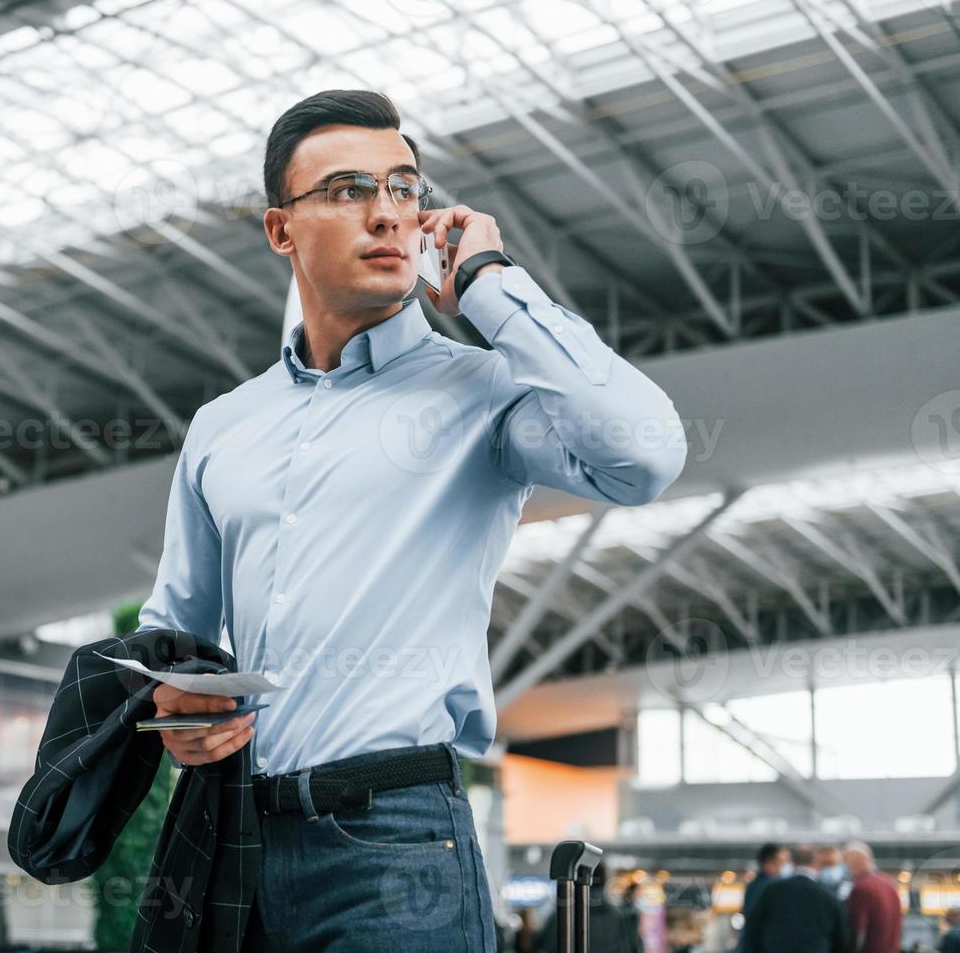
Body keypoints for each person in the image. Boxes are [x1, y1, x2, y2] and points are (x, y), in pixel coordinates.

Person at [136, 89, 686, 951]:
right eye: (351, 190)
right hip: (238, 838)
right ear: (282, 230)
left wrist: (491, 285)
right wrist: (176, 705)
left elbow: (645, 453)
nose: (388, 213)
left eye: (404, 187)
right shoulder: (223, 426)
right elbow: (174, 628)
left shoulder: (484, 393)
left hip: (396, 845)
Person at [741, 844, 846, 953]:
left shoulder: (772, 890)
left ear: (792, 863)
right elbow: (840, 940)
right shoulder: (829, 895)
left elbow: (752, 929)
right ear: (816, 863)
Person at [533, 864, 643, 953]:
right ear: (605, 880)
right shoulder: (620, 917)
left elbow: (545, 946)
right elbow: (634, 947)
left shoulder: (563, 915)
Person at [845, 842, 902, 953]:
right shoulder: (890, 885)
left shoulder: (861, 888)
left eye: (846, 861)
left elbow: (857, 931)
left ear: (854, 862)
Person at [738, 843, 790, 951]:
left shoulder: (755, 884)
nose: (785, 865)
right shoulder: (769, 887)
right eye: (782, 862)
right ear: (769, 862)